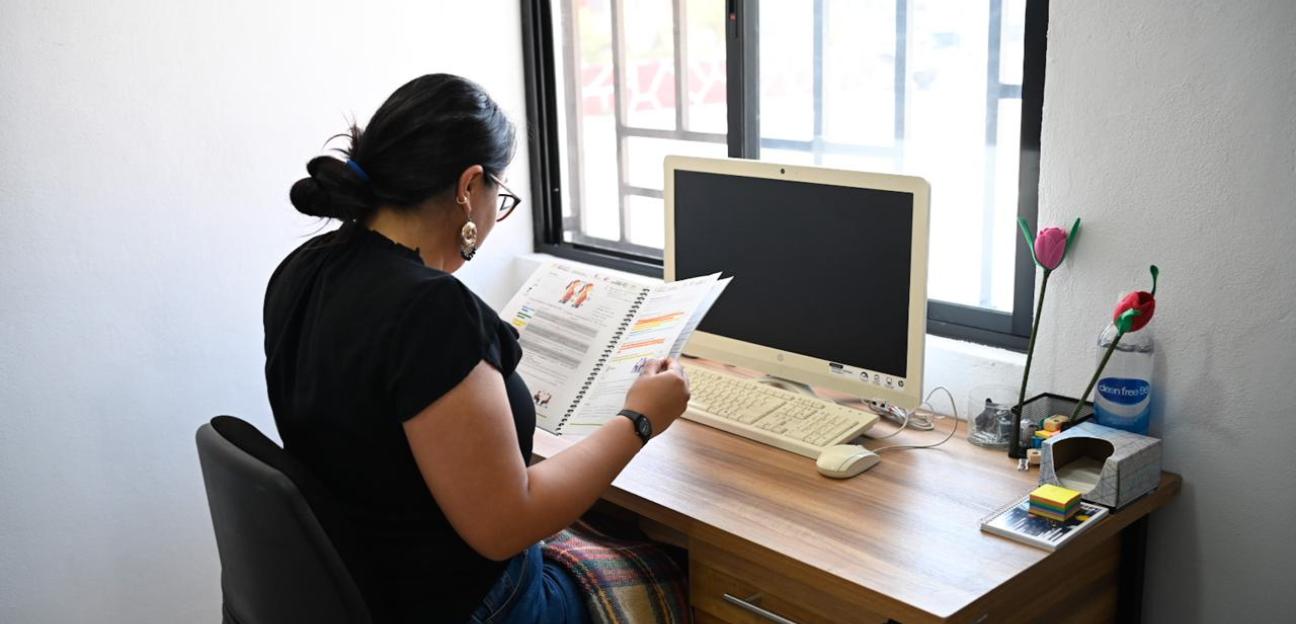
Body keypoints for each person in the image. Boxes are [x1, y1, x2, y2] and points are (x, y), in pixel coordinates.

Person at [264, 74, 691, 623]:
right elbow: (507, 526)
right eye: (500, 195)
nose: (495, 214)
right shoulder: (432, 310)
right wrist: (640, 419)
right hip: (472, 605)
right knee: (670, 569)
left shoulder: (306, 267)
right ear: (469, 186)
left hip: (373, 584)